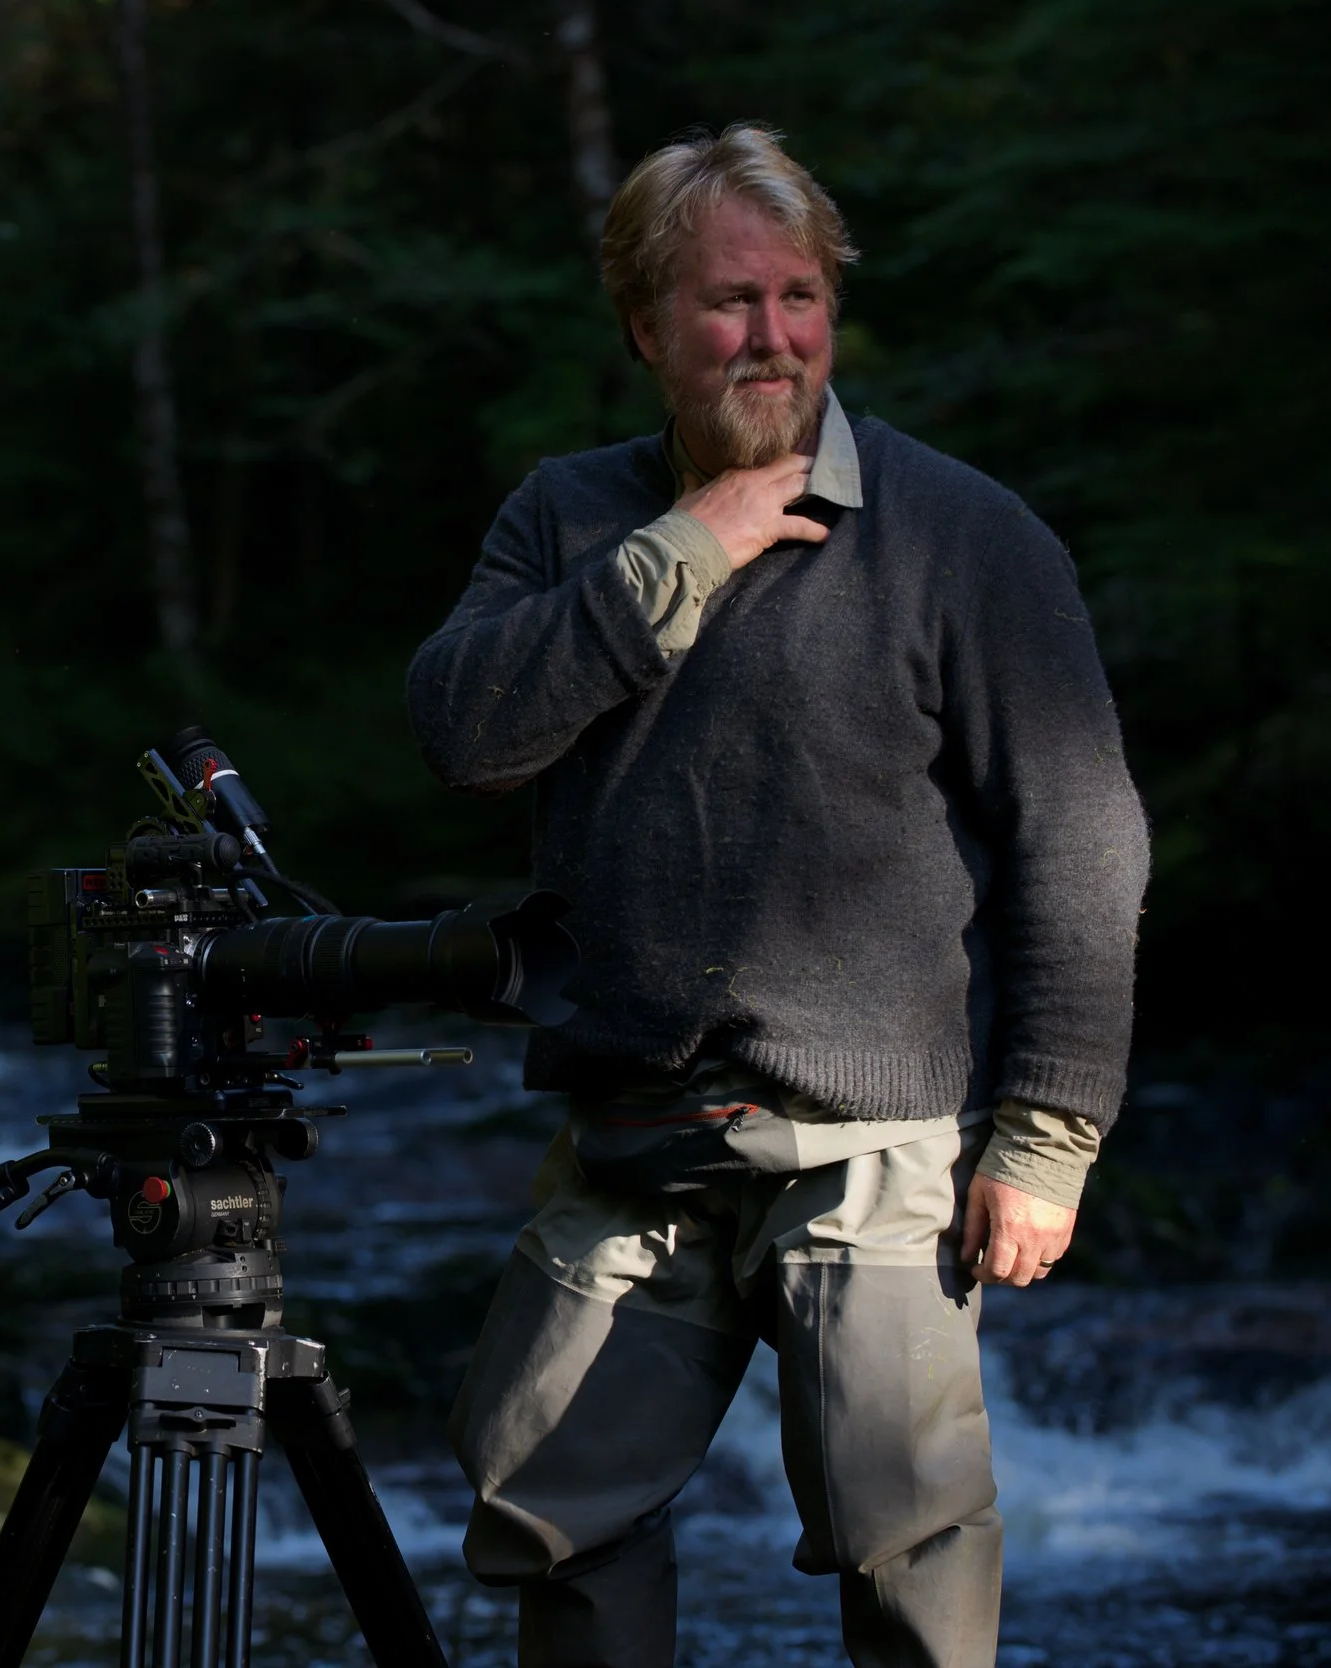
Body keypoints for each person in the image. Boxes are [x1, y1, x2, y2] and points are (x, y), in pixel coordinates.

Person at [408, 127, 1148, 1667]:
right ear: (646, 326)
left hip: (872, 1151)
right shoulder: (570, 519)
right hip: (630, 1140)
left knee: (911, 1563)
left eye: (800, 296)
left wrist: (1049, 1137)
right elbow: (465, 733)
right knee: (550, 1520)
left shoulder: (964, 536)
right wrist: (681, 555)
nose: (773, 336)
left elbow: (1083, 839)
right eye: (730, 302)